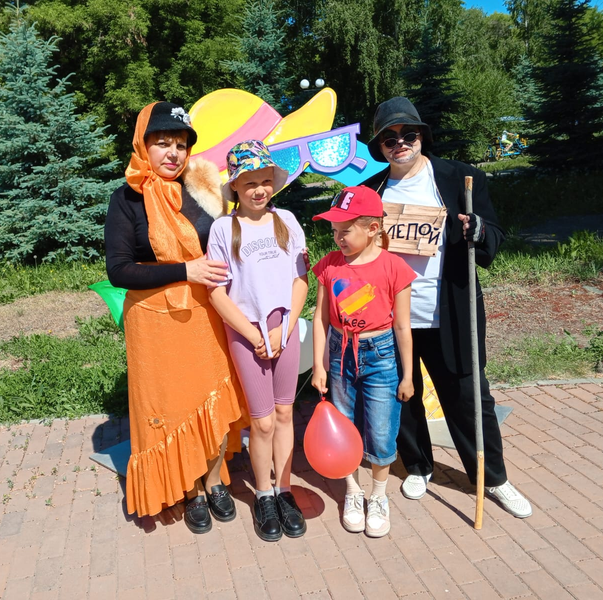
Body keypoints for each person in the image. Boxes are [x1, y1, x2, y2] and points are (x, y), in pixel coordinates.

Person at [361, 96, 532, 518]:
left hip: (449, 312)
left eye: (408, 134)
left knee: (469, 398)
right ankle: (419, 465)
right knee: (403, 395)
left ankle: (493, 478)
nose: (400, 144)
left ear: (422, 136)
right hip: (392, 316)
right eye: (389, 139)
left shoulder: (461, 179)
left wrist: (477, 230)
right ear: (380, 147)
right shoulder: (371, 192)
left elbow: (494, 236)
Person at [104, 101, 247, 534]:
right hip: (153, 324)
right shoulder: (126, 199)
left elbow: (231, 240)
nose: (173, 153)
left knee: (212, 398)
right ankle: (189, 489)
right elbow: (119, 270)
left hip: (206, 315)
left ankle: (213, 479)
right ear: (142, 145)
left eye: (181, 145)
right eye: (162, 143)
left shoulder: (202, 190)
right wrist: (186, 270)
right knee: (170, 408)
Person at [207, 140, 309, 542]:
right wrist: (252, 335)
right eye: (250, 183)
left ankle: (284, 490)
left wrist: (284, 329)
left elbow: (300, 280)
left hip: (283, 329)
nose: (259, 190)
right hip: (246, 333)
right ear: (235, 185)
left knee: (284, 414)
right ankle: (263, 494)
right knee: (262, 421)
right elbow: (217, 293)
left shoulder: (286, 220)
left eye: (265, 181)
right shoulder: (223, 229)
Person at [311, 186, 416, 537]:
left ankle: (378, 495)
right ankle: (353, 491)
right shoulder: (329, 265)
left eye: (345, 230)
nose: (338, 238)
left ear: (372, 228)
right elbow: (320, 318)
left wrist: (408, 374)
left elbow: (402, 325)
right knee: (344, 425)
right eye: (334, 231)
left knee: (381, 429)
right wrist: (319, 365)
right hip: (341, 353)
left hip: (381, 355)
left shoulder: (394, 267)